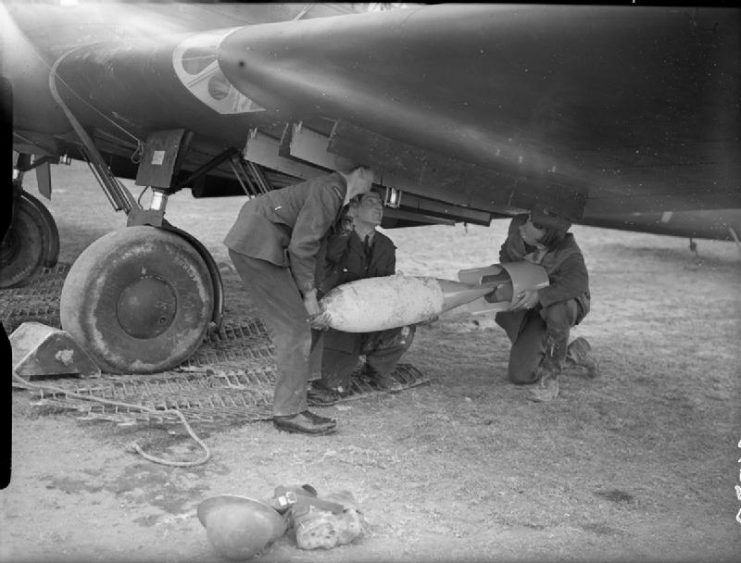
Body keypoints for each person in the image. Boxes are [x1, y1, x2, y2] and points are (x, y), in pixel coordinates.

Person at [224, 165, 375, 435]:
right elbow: (302, 246)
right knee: (293, 328)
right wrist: (307, 295)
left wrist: (314, 294)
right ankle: (289, 412)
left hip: (259, 240)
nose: (375, 181)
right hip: (257, 243)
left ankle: (298, 395)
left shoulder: (335, 195)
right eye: (373, 174)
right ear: (361, 173)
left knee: (301, 322)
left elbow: (317, 251)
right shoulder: (330, 190)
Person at [307, 191, 416, 406]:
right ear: (354, 208)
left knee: (405, 329)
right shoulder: (336, 240)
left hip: (370, 320)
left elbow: (384, 289)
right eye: (371, 202)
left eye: (381, 203)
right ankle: (328, 373)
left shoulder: (385, 246)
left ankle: (376, 371)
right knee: (334, 389)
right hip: (337, 324)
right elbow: (323, 273)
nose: (379, 208)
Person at [494, 207, 598, 402]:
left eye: (530, 222)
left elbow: (578, 283)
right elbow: (505, 255)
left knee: (557, 310)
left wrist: (540, 296)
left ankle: (551, 379)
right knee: (521, 376)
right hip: (534, 308)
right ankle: (573, 354)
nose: (522, 225)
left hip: (564, 302)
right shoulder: (519, 235)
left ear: (545, 233)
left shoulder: (569, 253)